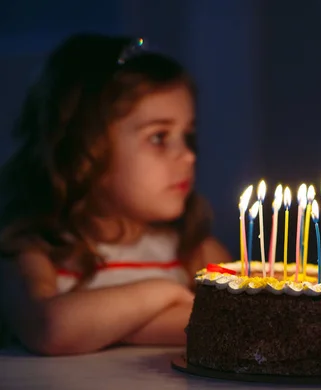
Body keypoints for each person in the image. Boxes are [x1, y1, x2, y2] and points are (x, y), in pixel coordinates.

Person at [0, 33, 231, 355]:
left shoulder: (195, 251)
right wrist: (163, 292)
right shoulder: (34, 253)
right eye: (159, 137)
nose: (189, 156)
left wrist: (112, 327)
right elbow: (51, 327)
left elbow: (238, 325)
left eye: (187, 135)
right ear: (85, 150)